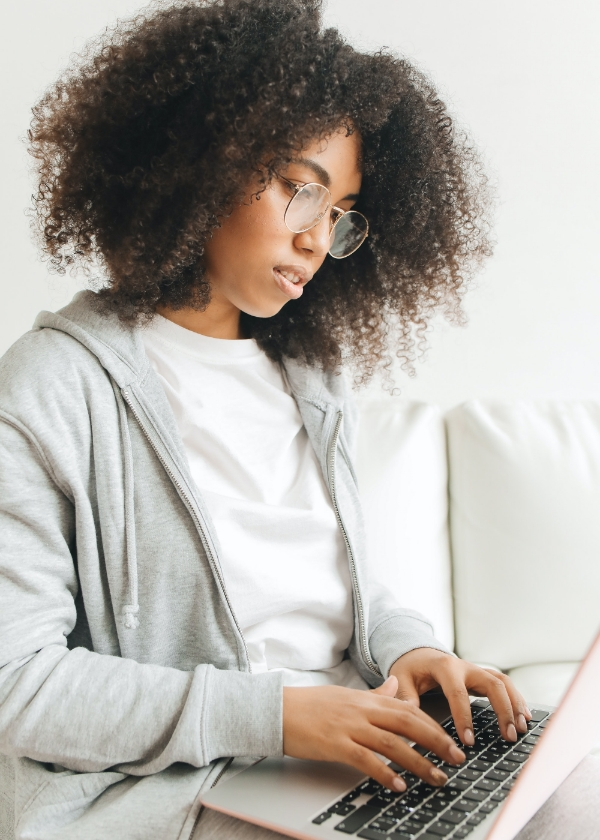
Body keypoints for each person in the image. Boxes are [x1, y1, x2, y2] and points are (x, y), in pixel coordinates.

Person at [0, 1, 531, 838]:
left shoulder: (306, 375)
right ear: (202, 159)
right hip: (180, 792)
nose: (319, 238)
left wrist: (409, 651)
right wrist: (279, 717)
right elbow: (18, 685)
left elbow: (332, 587)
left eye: (341, 211)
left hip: (342, 756)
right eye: (300, 189)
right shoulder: (56, 385)